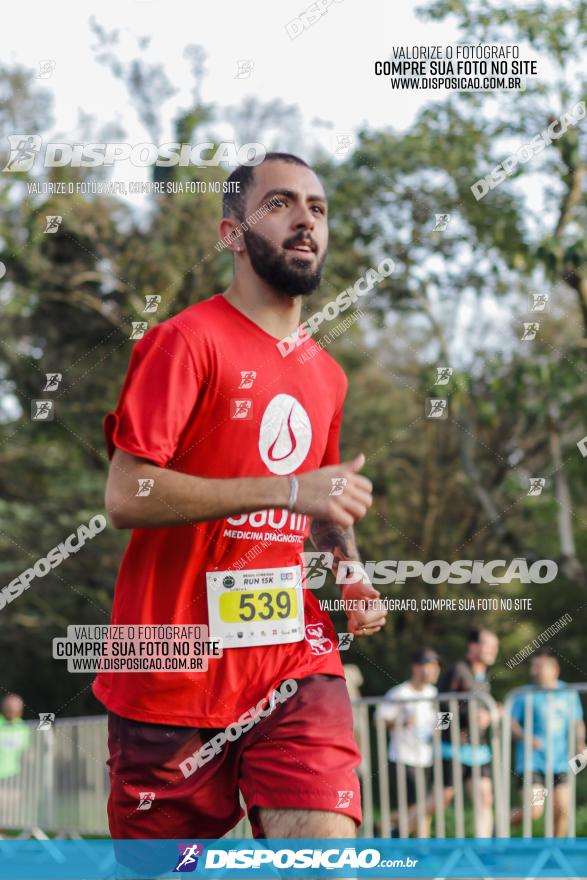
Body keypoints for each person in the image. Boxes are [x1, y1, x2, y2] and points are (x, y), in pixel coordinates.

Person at [93, 152, 388, 842]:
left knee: (321, 852)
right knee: (162, 867)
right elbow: (125, 496)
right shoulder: (183, 343)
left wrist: (350, 572)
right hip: (169, 659)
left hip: (290, 653)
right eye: (280, 204)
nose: (304, 221)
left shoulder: (327, 375)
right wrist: (289, 488)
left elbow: (321, 502)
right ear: (232, 234)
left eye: (316, 208)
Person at [510, 650, 585, 837]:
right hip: (531, 763)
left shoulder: (567, 692)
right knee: (535, 809)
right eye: (533, 667)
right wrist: (525, 737)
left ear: (555, 669)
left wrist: (580, 743)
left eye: (540, 667)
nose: (534, 671)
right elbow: (511, 723)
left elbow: (577, 722)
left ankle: (553, 852)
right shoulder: (523, 694)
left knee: (562, 808)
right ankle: (501, 825)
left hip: (560, 763)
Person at [438, 628, 499, 837]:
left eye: (495, 646)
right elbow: (442, 704)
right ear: (473, 646)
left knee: (485, 797)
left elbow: (479, 706)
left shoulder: (483, 675)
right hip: (453, 747)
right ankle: (396, 829)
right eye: (488, 645)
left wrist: (489, 714)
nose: (493, 650)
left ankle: (484, 852)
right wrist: (461, 726)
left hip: (477, 750)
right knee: (444, 797)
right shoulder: (458, 670)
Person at [376, 649, 440, 837]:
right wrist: (402, 722)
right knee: (421, 807)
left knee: (419, 807)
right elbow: (379, 720)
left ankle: (384, 826)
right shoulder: (399, 693)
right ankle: (421, 849)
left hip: (426, 756)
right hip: (403, 757)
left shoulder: (434, 692)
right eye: (430, 666)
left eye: (437, 667)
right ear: (416, 668)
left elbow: (441, 720)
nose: (435, 671)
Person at [0, 694, 30, 835]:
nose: (12, 712)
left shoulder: (23, 728)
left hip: (13, 777)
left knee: (6, 814)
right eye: (9, 709)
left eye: (15, 710)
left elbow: (27, 752)